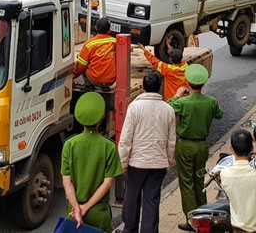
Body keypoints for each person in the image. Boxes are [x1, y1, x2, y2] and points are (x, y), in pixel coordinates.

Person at [168, 64, 224, 231]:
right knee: (200, 181)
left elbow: (168, 107)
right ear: (203, 83)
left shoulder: (182, 103)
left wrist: (177, 95)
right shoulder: (210, 102)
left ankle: (192, 220)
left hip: (185, 146)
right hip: (202, 146)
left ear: (188, 81)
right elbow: (219, 114)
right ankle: (205, 216)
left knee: (187, 184)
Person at [118, 73, 176, 233]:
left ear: (143, 88)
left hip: (136, 162)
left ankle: (129, 229)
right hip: (158, 163)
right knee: (152, 200)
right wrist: (169, 159)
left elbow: (126, 138)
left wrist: (123, 162)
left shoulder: (134, 107)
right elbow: (171, 140)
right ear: (160, 88)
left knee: (131, 197)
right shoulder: (168, 109)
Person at [61, 92, 123, 232]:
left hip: (73, 212)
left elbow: (66, 182)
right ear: (101, 119)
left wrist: (77, 209)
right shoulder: (109, 146)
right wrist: (86, 208)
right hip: (98, 212)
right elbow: (107, 183)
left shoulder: (69, 144)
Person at [73, 18, 116, 87]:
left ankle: (88, 87)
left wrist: (72, 76)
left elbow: (80, 67)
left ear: (96, 28)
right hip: (111, 81)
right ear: (109, 30)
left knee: (83, 63)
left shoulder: (90, 44)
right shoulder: (115, 42)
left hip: (94, 80)